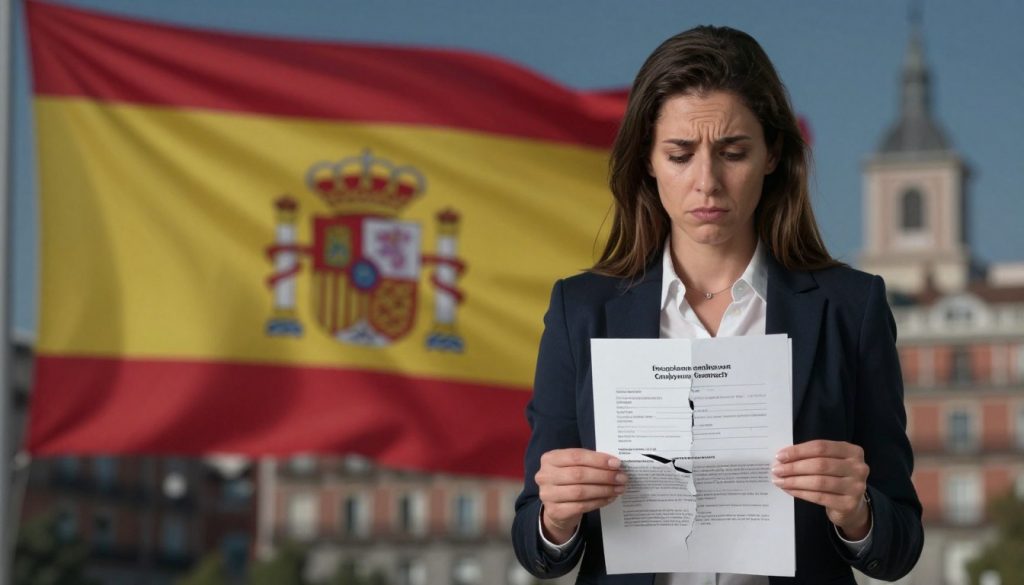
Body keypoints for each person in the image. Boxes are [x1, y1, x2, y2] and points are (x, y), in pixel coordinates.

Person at [511, 25, 923, 585]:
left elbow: (899, 547)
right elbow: (532, 541)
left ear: (773, 154)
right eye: (680, 154)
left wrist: (858, 513)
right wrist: (554, 519)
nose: (707, 182)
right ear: (648, 161)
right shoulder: (580, 310)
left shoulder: (852, 306)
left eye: (733, 153)